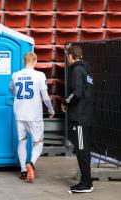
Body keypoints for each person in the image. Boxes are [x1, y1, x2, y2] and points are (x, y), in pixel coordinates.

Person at [9, 52, 55, 183]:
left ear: (24, 61)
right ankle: (32, 163)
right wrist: (51, 110)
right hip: (34, 115)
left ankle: (23, 170)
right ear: (35, 62)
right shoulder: (40, 75)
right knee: (38, 142)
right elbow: (45, 97)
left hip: (19, 113)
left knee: (22, 141)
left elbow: (11, 89)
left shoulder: (15, 75)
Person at [61, 45, 94, 193]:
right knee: (84, 150)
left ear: (70, 56)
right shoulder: (87, 70)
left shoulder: (76, 70)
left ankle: (86, 184)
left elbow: (77, 93)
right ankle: (87, 181)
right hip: (86, 115)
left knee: (81, 151)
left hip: (80, 117)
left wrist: (65, 101)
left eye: (67, 57)